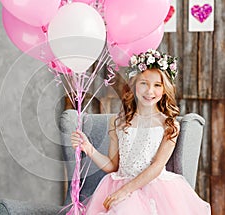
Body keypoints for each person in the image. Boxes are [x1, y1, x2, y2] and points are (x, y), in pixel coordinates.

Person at [71, 49, 211, 214]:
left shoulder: (169, 124)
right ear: (134, 84)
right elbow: (113, 166)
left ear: (165, 88)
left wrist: (125, 190)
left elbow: (157, 166)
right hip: (119, 183)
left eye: (157, 85)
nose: (150, 91)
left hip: (154, 186)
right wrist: (89, 149)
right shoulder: (118, 122)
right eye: (144, 83)